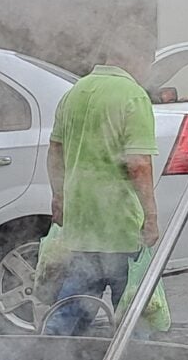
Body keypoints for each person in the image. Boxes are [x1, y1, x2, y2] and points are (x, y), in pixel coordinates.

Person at [44, 34, 160, 337]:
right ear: (136, 57)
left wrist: (58, 197)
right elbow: (138, 164)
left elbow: (54, 150)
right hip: (120, 224)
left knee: (73, 305)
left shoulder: (75, 92)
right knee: (134, 310)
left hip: (82, 221)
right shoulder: (132, 95)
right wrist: (151, 216)